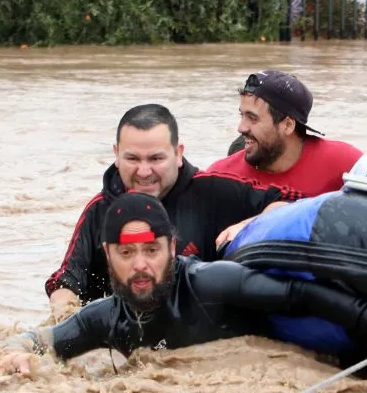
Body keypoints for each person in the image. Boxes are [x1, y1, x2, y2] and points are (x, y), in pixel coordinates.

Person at [0, 193, 367, 376]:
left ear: (172, 247)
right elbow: (41, 339)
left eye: (152, 251)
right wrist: (15, 355)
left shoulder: (209, 282)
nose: (141, 266)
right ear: (107, 256)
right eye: (127, 255)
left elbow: (299, 295)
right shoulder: (104, 317)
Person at [45, 104, 302, 322]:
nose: (144, 172)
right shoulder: (100, 210)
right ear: (116, 155)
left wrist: (252, 223)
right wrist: (67, 321)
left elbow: (291, 201)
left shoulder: (214, 191)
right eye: (133, 159)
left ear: (178, 154)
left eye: (156, 159)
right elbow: (65, 282)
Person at [210, 70, 367, 196]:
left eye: (253, 118)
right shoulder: (219, 177)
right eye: (242, 115)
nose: (241, 128)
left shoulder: (347, 163)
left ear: (287, 125)